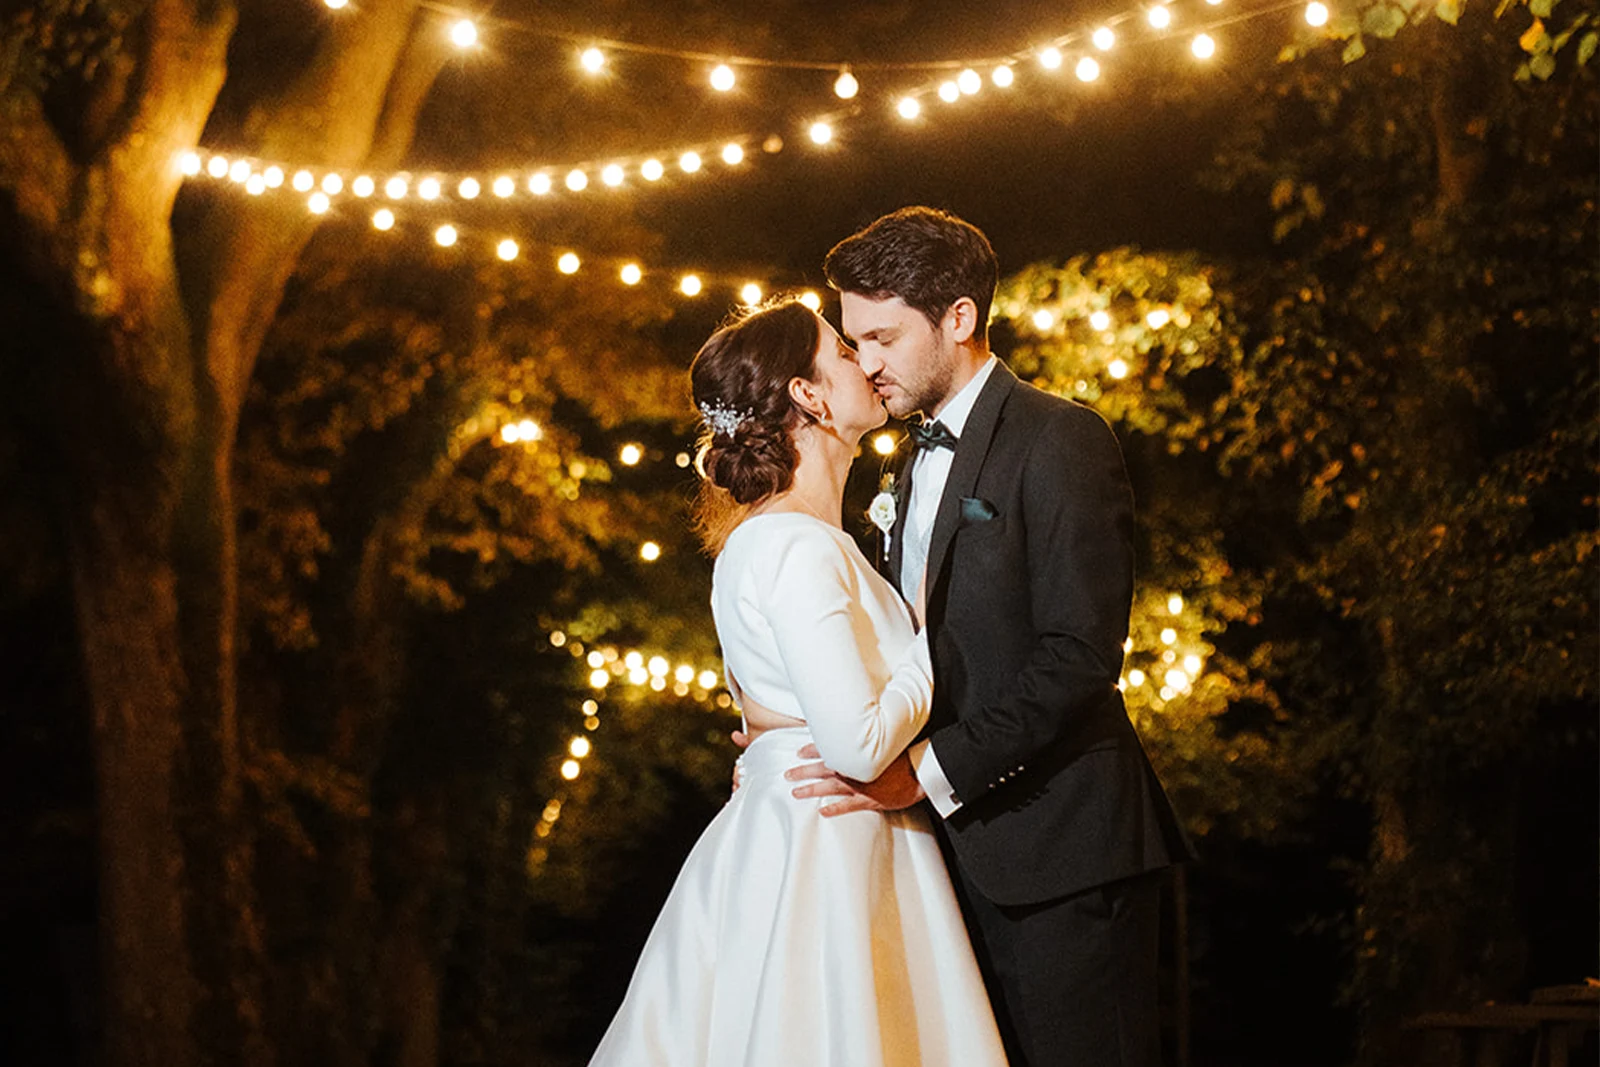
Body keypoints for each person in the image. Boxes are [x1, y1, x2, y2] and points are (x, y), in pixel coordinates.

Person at [782, 206, 1195, 1067]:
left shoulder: (1062, 438)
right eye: (856, 342)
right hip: (948, 860)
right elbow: (906, 649)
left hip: (1065, 852)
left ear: (960, 318)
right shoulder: (902, 463)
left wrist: (921, 775)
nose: (867, 363)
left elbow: (1079, 656)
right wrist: (793, 721)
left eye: (885, 337)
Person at [588, 297, 1008, 1067]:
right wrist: (936, 638)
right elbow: (855, 743)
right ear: (809, 397)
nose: (867, 362)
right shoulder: (791, 543)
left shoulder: (797, 540)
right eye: (844, 353)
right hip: (829, 844)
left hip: (825, 830)